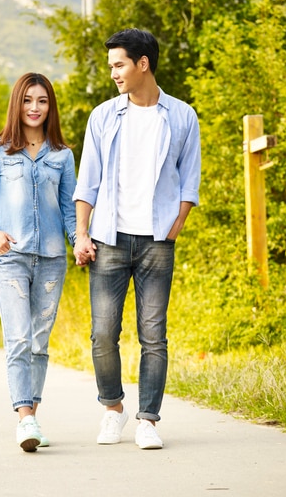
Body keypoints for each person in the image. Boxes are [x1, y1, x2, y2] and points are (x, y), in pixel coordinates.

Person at [72, 28, 201, 449]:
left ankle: (148, 419)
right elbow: (87, 181)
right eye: (111, 65)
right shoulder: (103, 116)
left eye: (119, 64)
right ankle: (113, 409)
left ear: (142, 63)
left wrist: (174, 226)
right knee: (103, 333)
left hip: (155, 242)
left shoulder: (182, 116)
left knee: (153, 333)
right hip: (108, 238)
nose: (113, 73)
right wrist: (82, 234)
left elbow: (189, 181)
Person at [0, 73, 77, 452]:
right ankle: (25, 420)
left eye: (42, 101)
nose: (34, 107)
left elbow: (69, 208)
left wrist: (79, 241)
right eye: (28, 100)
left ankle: (33, 415)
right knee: (18, 339)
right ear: (17, 103)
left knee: (40, 343)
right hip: (10, 259)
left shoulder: (62, 155)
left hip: (51, 260)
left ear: (50, 106)